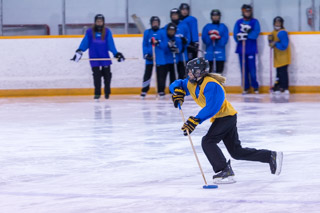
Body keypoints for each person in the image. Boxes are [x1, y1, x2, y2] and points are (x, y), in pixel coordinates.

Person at [169, 57, 283, 184]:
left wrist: (195, 120)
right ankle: (270, 156)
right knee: (236, 152)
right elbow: (178, 83)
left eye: (191, 71)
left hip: (226, 117)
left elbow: (212, 107)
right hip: (224, 117)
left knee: (208, 141)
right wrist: (177, 91)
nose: (188, 74)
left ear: (199, 72)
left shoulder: (211, 85)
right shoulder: (192, 83)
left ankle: (224, 171)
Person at [71, 14, 125, 100]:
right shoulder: (89, 32)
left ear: (103, 22)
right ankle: (97, 93)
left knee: (107, 76)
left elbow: (111, 44)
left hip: (105, 57)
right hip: (94, 57)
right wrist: (79, 52)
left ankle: (107, 92)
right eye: (98, 21)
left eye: (101, 21)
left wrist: (116, 54)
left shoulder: (107, 31)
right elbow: (85, 43)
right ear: (95, 22)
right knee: (96, 76)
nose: (99, 23)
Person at [233, 4, 260, 94]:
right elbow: (235, 35)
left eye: (249, 11)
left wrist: (248, 32)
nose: (247, 13)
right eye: (245, 11)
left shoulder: (255, 21)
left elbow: (256, 34)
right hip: (242, 49)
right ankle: (245, 87)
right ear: (243, 12)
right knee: (244, 69)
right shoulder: (238, 22)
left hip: (251, 49)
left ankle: (255, 86)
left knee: (252, 70)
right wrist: (239, 37)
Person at [141, 16, 167, 98]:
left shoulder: (162, 32)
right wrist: (145, 54)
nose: (155, 24)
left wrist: (158, 42)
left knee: (160, 76)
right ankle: (144, 90)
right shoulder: (147, 32)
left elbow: (165, 45)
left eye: (156, 23)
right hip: (150, 58)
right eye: (153, 23)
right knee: (147, 75)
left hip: (160, 58)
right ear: (151, 23)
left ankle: (161, 90)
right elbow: (144, 44)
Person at [166, 8, 190, 80]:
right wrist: (170, 45)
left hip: (182, 54)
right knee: (173, 72)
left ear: (179, 15)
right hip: (173, 55)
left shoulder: (184, 25)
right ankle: (173, 88)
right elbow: (165, 38)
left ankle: (182, 88)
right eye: (172, 15)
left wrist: (185, 42)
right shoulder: (167, 26)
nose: (174, 16)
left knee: (182, 72)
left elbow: (188, 38)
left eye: (175, 15)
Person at [268, 16, 291, 94]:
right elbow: (271, 44)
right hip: (277, 57)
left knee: (283, 72)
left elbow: (284, 46)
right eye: (276, 22)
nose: (277, 24)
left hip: (283, 57)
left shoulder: (282, 32)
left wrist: (275, 44)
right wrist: (270, 42)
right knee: (278, 73)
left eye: (279, 22)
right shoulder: (273, 32)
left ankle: (285, 87)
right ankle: (278, 86)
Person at [202, 9, 229, 74]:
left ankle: (218, 84)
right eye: (214, 15)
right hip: (209, 54)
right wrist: (210, 37)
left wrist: (218, 38)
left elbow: (224, 41)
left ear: (219, 16)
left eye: (217, 15)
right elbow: (205, 41)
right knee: (209, 73)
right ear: (211, 17)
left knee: (219, 73)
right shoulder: (207, 27)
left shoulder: (223, 27)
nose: (215, 17)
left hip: (220, 55)